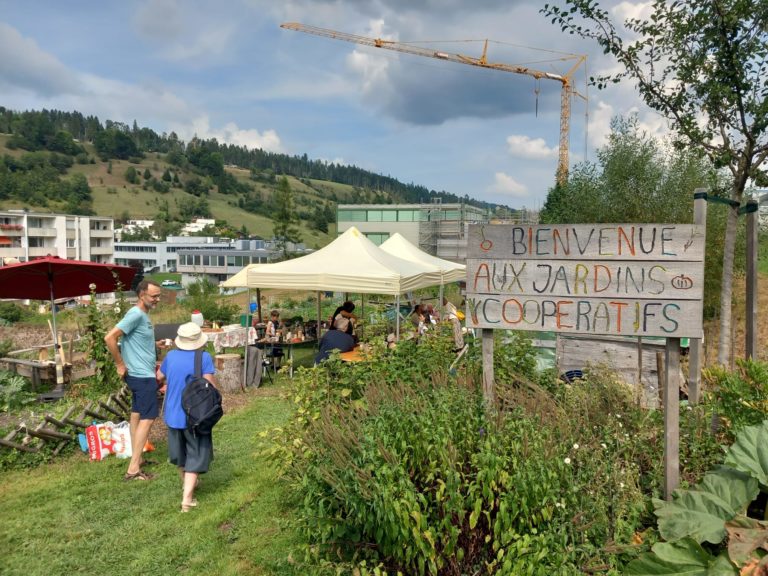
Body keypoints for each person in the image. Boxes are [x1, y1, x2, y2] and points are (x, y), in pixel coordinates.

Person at [104, 279, 166, 481]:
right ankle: (133, 469)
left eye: (158, 296)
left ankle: (137, 459)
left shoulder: (143, 316)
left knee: (137, 415)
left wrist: (155, 345)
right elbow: (110, 338)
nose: (157, 299)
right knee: (148, 418)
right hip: (141, 376)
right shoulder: (136, 314)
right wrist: (119, 364)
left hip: (141, 374)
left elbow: (136, 341)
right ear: (141, 295)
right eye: (154, 296)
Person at [157, 322, 217, 512]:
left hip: (172, 414)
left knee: (180, 454)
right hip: (195, 416)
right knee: (195, 454)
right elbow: (210, 385)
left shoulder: (170, 356)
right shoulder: (204, 357)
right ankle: (187, 500)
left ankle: (188, 484)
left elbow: (159, 376)